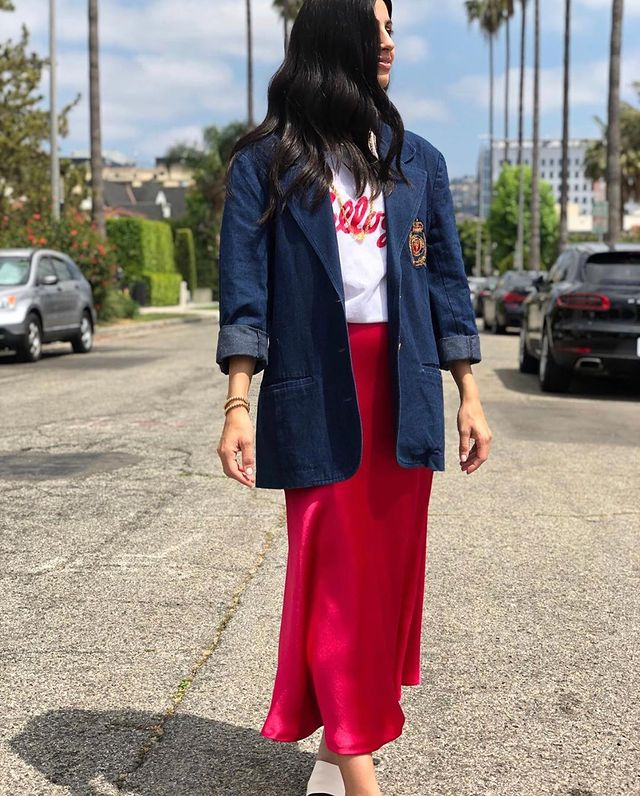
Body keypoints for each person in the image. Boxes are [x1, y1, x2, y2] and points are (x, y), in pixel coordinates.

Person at [215, 1, 493, 793]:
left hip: (402, 389)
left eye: (392, 27)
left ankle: (342, 747)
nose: (391, 44)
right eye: (376, 28)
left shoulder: (418, 160)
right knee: (333, 579)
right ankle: (362, 772)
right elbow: (246, 292)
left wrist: (469, 393)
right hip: (317, 388)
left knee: (381, 584)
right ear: (335, 38)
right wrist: (237, 404)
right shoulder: (267, 163)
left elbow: (447, 286)